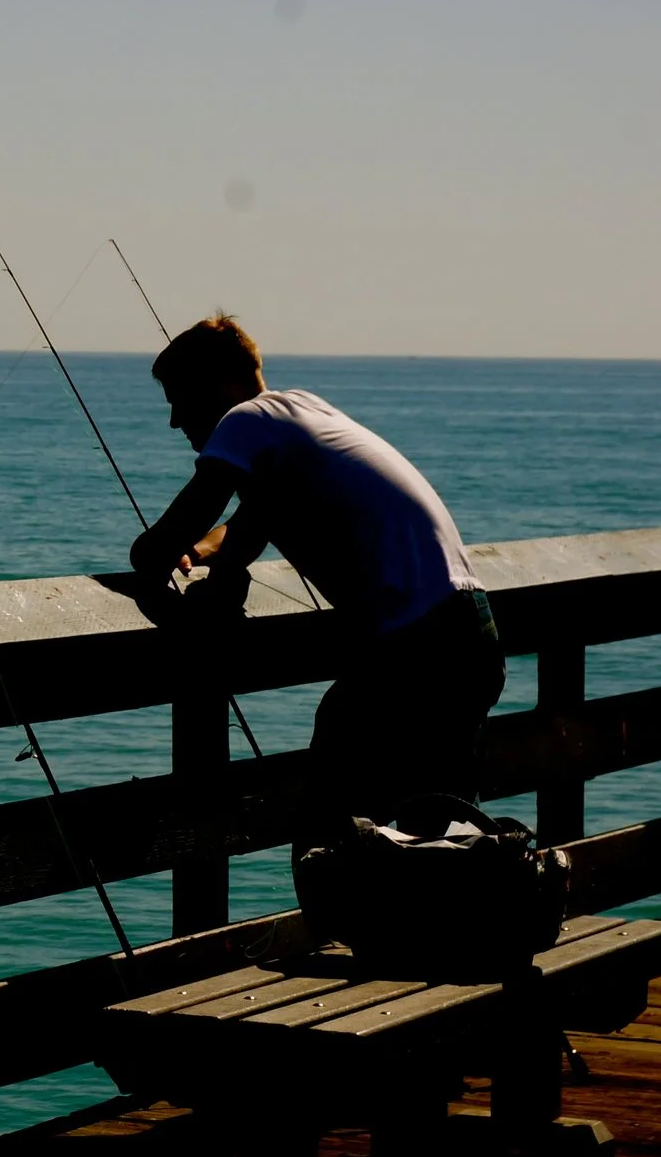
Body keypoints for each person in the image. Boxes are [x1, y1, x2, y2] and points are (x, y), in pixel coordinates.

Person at [127, 314, 504, 851]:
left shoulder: (245, 419)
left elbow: (175, 529)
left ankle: (341, 933)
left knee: (336, 819)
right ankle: (422, 932)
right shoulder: (301, 411)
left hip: (415, 642)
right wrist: (204, 551)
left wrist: (152, 553)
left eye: (179, 398)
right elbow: (247, 524)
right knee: (435, 835)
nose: (174, 421)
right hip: (470, 630)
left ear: (223, 385)